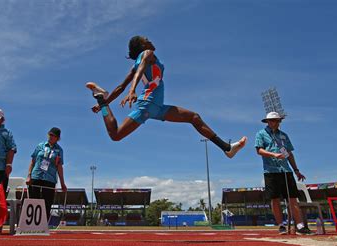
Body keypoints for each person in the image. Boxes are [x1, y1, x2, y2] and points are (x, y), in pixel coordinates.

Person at [86, 35, 246, 158]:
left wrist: (112, 98)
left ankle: (227, 148)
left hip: (159, 108)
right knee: (116, 135)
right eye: (146, 40)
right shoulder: (147, 54)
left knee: (194, 117)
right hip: (147, 105)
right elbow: (135, 75)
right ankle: (101, 98)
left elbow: (121, 87)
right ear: (143, 46)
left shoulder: (141, 62)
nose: (150, 41)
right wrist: (131, 90)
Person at [255, 111, 312, 235]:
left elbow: (290, 154)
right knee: (275, 199)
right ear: (267, 121)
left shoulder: (284, 136)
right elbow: (259, 150)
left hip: (286, 170)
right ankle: (281, 225)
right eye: (272, 120)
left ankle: (300, 226)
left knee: (292, 198)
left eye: (277, 120)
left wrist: (296, 170)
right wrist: (274, 154)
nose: (275, 122)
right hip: (270, 171)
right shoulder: (261, 134)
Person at [26, 127, 67, 221]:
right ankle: (31, 223)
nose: (51, 137)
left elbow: (60, 167)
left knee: (47, 203)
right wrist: (29, 175)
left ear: (58, 138)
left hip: (50, 179)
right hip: (36, 176)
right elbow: (33, 161)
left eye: (54, 136)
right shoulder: (40, 145)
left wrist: (62, 183)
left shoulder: (59, 150)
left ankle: (43, 224)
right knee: (33, 201)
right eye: (50, 135)